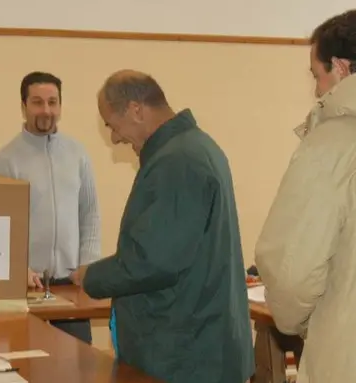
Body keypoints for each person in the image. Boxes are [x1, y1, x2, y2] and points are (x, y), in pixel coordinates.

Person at [255, 8, 356, 383]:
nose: (316, 91)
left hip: (355, 362)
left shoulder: (331, 144)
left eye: (317, 75)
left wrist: (304, 322)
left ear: (340, 68)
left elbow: (290, 270)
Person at [72, 70, 254, 383]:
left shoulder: (176, 161)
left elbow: (153, 261)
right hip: (197, 345)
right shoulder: (194, 147)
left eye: (111, 125)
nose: (115, 137)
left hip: (185, 356)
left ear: (135, 110)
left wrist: (92, 277)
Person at [0, 71, 101, 344]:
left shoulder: (78, 154)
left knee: (76, 369)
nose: (46, 110)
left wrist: (88, 265)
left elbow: (90, 213)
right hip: (27, 289)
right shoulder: (6, 160)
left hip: (70, 287)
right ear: (24, 106)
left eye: (53, 102)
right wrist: (17, 268)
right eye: (38, 102)